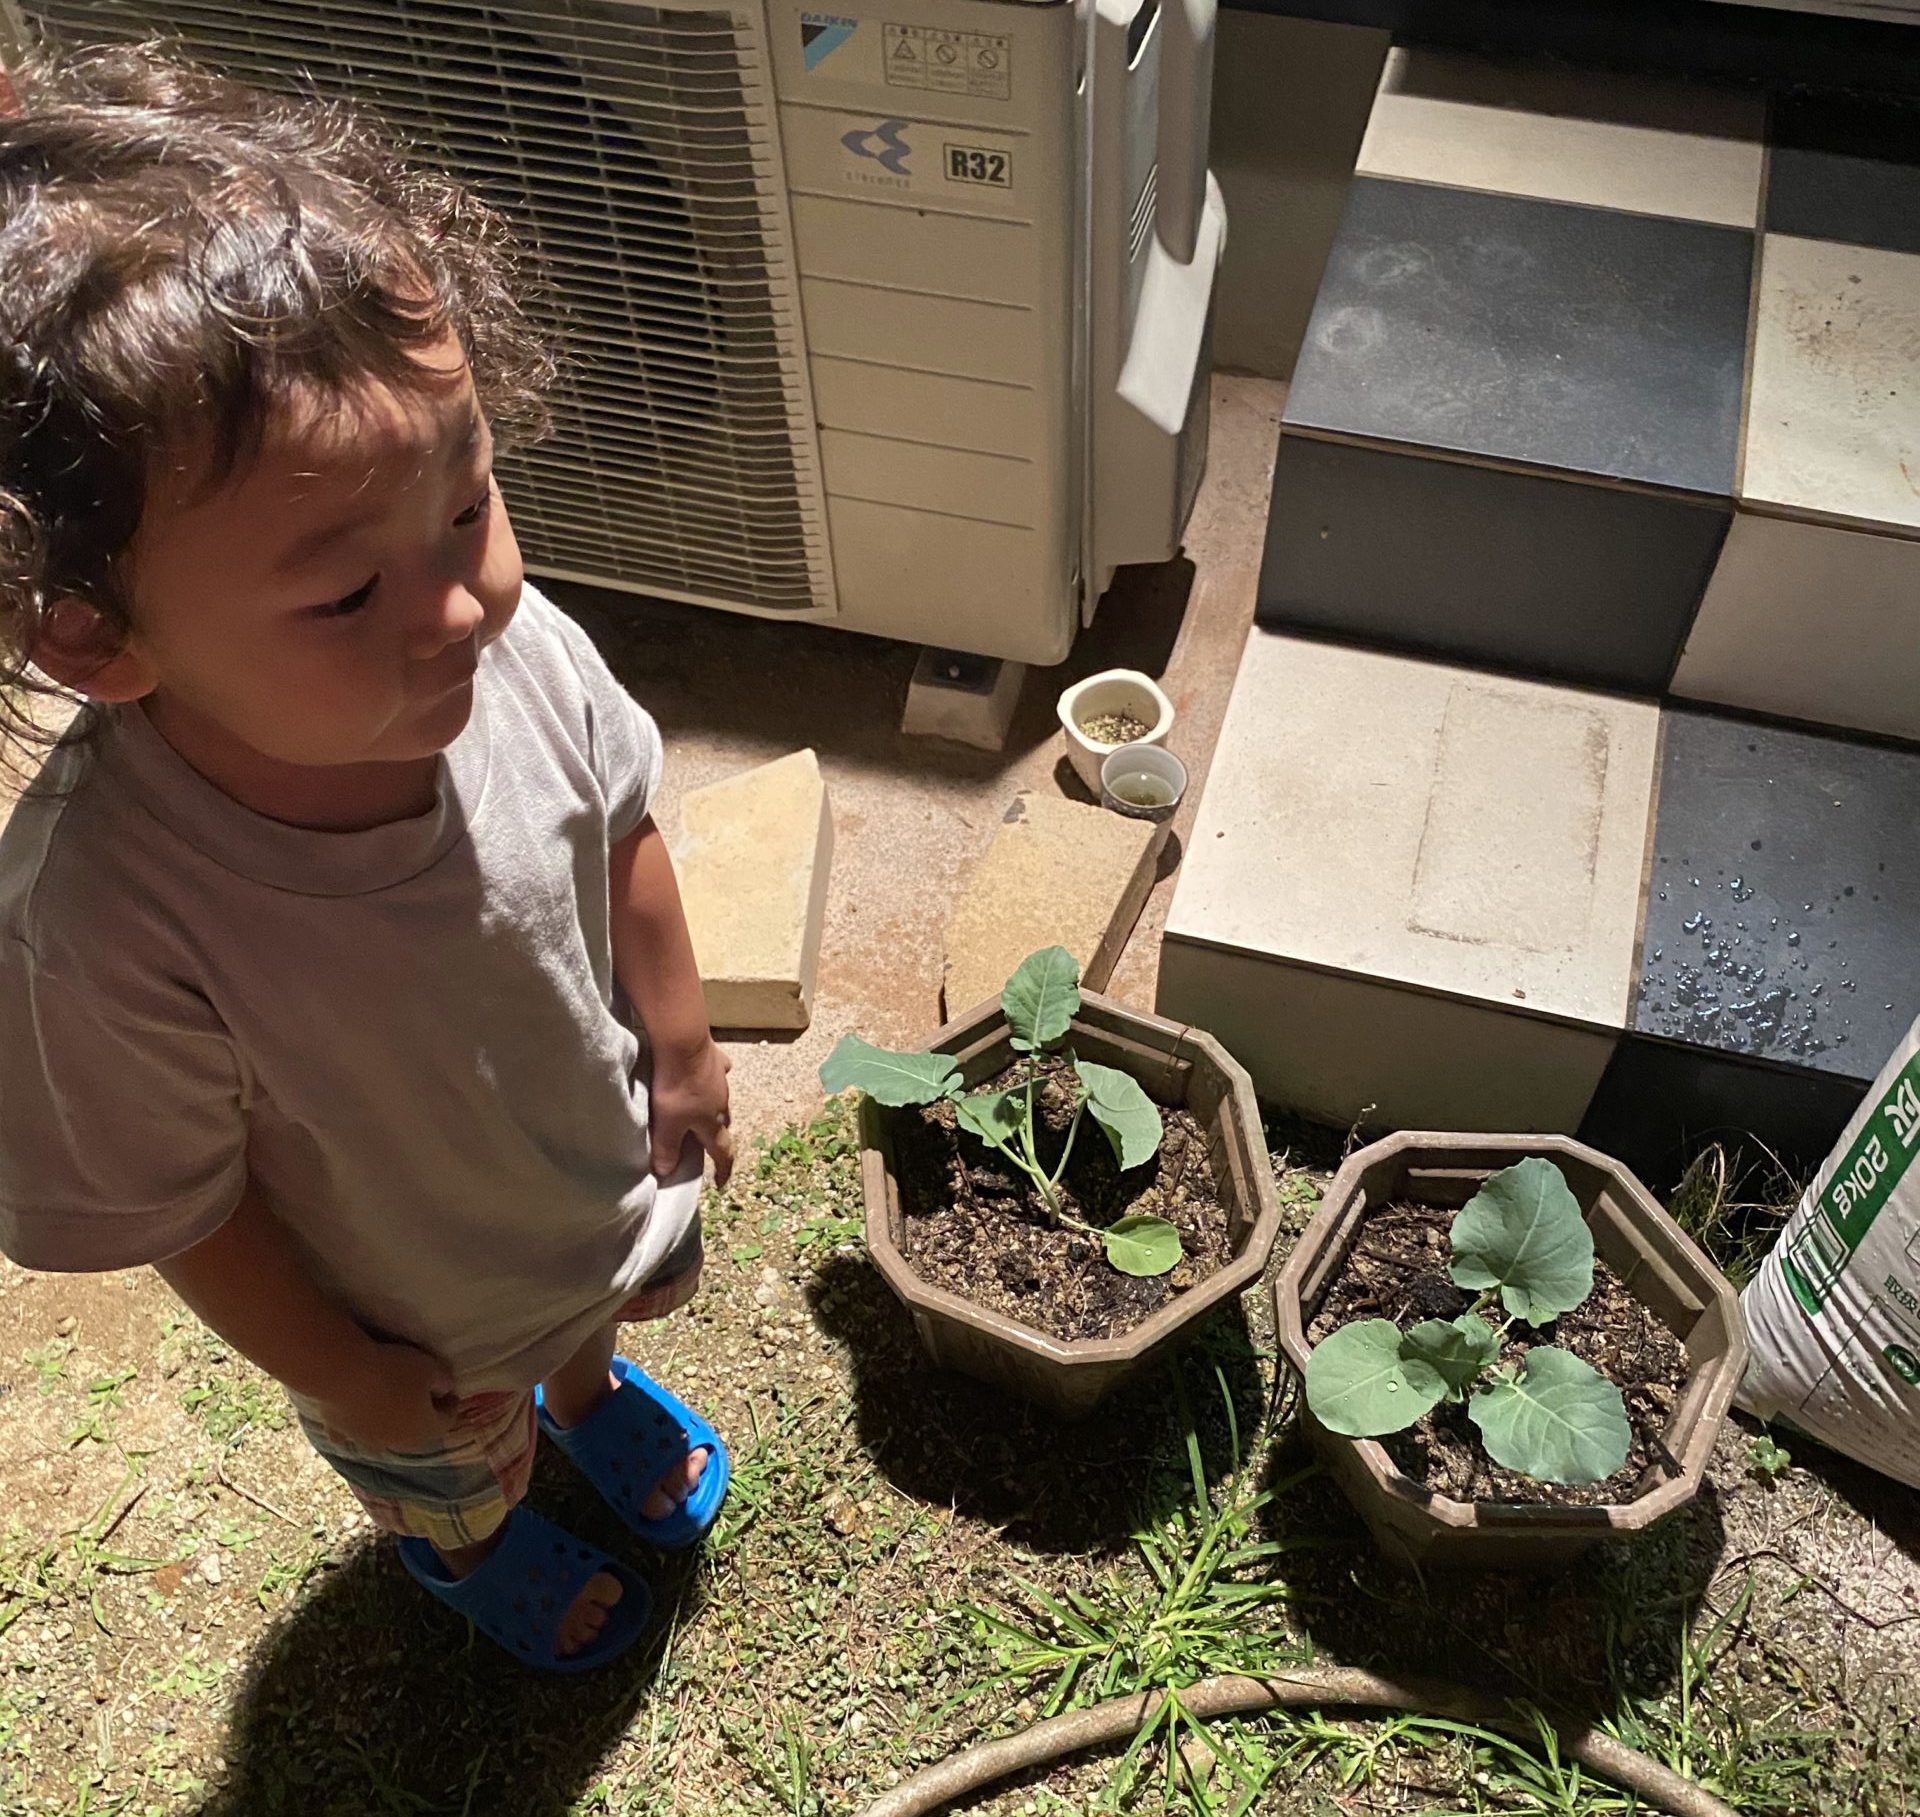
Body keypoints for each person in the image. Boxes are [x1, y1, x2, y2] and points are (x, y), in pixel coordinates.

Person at [0, 43, 736, 1670]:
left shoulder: (513, 652)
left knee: (598, 1319)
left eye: (468, 501)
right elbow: (185, 1206)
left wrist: (678, 1041)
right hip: (411, 1327)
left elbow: (618, 821)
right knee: (451, 1473)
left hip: (584, 1179)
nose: (461, 603)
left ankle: (592, 1386)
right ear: (98, 635)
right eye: (345, 595)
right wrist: (342, 1365)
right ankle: (471, 1550)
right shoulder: (107, 920)